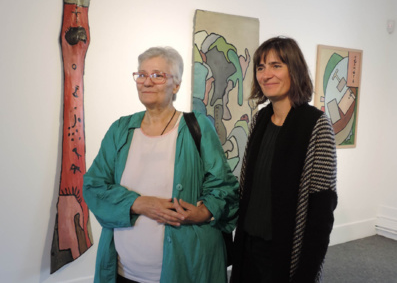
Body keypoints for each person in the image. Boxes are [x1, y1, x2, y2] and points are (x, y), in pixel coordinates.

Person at [83, 46, 239, 283]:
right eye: (142, 74)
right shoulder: (120, 130)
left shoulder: (197, 127)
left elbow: (225, 185)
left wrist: (204, 212)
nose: (147, 82)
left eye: (158, 75)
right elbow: (94, 185)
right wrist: (138, 203)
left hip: (187, 269)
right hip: (123, 272)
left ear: (176, 85)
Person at [230, 37, 337, 283]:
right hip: (248, 245)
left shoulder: (315, 124)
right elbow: (249, 188)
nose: (266, 74)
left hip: (284, 252)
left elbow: (322, 210)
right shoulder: (259, 120)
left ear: (294, 69)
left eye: (276, 65)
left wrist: (306, 273)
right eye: (260, 67)